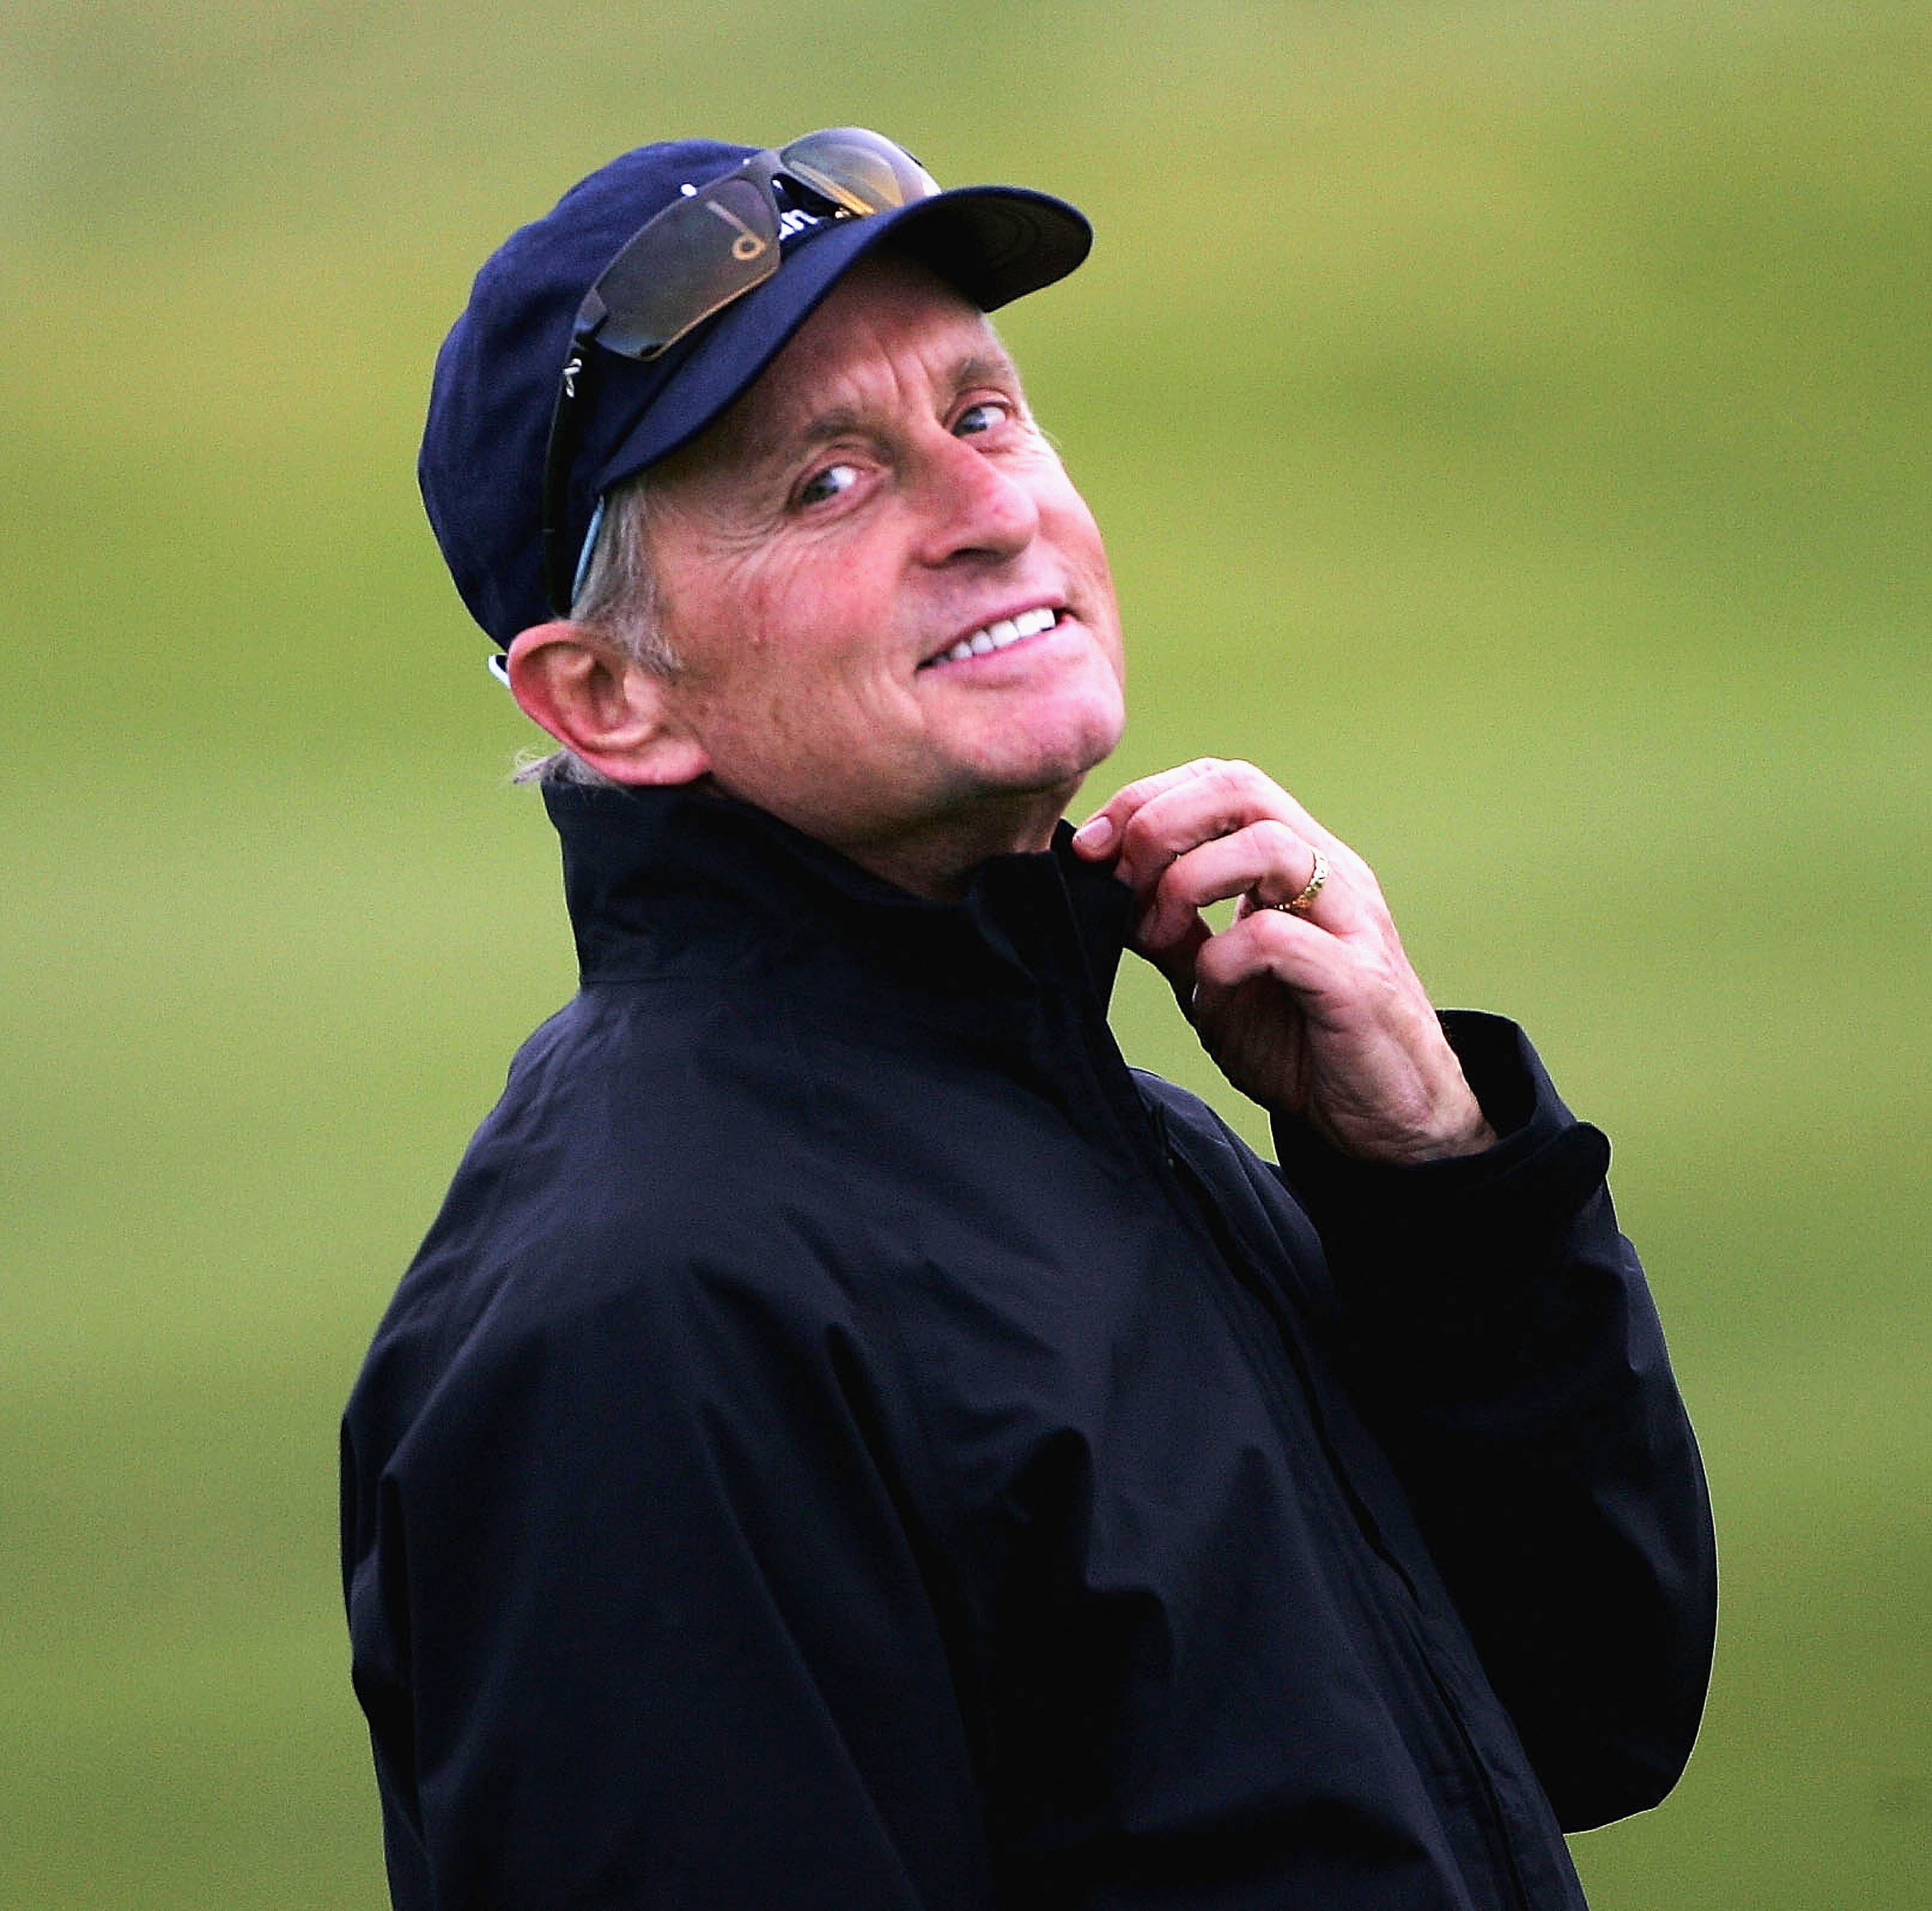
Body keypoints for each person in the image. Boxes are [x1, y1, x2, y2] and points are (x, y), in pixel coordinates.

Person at [341, 128, 1716, 1910]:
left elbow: (1585, 1714)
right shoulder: (645, 1318)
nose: (988, 511)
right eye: (828, 482)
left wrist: (1439, 1192)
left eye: (982, 414)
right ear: (609, 697)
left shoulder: (1122, 1131)